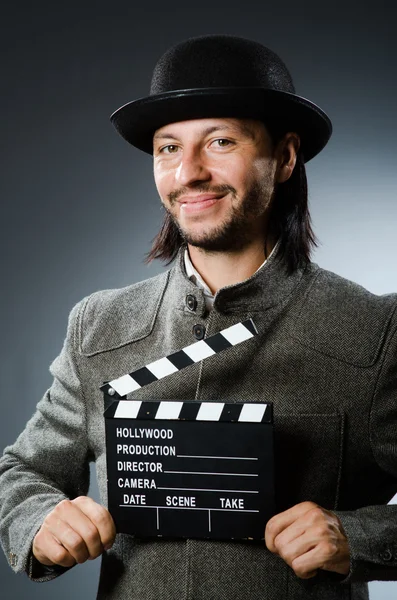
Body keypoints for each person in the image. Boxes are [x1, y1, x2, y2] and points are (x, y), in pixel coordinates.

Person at [0, 34, 396, 600]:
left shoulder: (374, 331)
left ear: (284, 157)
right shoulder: (99, 325)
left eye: (220, 141)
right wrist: (40, 520)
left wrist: (356, 536)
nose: (189, 172)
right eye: (168, 148)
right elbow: (20, 474)